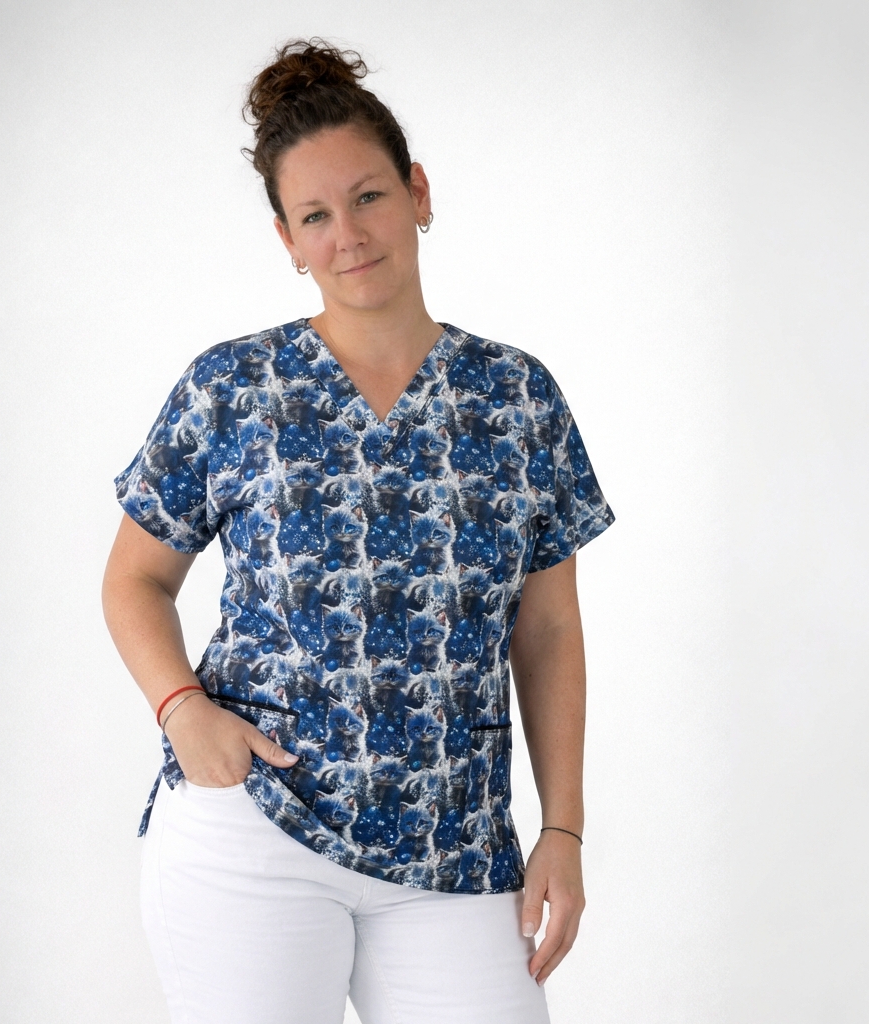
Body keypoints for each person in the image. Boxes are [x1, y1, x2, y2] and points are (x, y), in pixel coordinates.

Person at [101, 37, 614, 1024]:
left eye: (369, 196)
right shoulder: (232, 387)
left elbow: (548, 628)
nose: (349, 233)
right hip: (256, 825)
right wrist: (181, 709)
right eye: (315, 215)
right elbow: (133, 578)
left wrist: (564, 828)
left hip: (455, 846)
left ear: (418, 192)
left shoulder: (517, 397)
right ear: (288, 240)